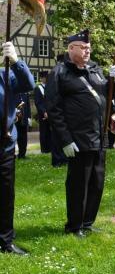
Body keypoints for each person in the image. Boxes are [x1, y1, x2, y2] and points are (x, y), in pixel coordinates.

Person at [45, 29, 115, 237]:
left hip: (98, 135)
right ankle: (74, 225)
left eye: (89, 48)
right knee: (78, 184)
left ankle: (88, 222)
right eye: (83, 47)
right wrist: (65, 140)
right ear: (71, 49)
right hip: (78, 138)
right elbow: (54, 110)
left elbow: (107, 94)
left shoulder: (95, 70)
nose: (87, 51)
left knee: (97, 181)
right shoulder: (59, 73)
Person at [0, 41, 35, 255]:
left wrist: (16, 62)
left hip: (4, 142)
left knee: (5, 194)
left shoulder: (6, 74)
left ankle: (5, 241)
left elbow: (28, 84)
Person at [34, 71, 68, 167]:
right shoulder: (38, 88)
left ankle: (50, 148)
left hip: (51, 113)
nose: (44, 79)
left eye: (46, 77)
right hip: (43, 114)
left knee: (52, 132)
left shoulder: (49, 87)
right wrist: (44, 111)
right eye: (43, 77)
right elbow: (38, 102)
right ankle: (44, 148)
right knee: (44, 132)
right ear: (41, 78)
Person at [15, 92, 31, 159]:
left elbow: (28, 106)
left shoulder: (25, 93)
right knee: (15, 137)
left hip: (24, 119)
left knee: (24, 137)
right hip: (15, 119)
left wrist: (29, 118)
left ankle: (22, 154)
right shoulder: (13, 92)